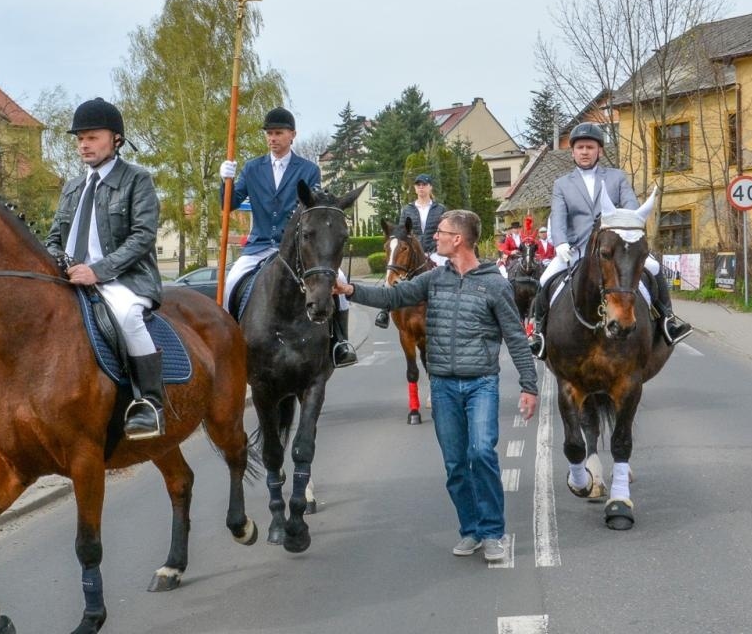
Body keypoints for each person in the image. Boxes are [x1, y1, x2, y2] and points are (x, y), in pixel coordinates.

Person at [335, 209, 537, 564]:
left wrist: (528, 385)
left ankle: (492, 532)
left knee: (482, 454)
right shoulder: (433, 280)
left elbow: (516, 338)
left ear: (458, 239)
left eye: (442, 233)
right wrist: (350, 290)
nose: (436, 238)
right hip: (442, 386)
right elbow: (392, 298)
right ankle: (470, 529)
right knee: (456, 464)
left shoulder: (494, 284)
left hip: (481, 384)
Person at [45, 98, 167, 439]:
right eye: (80, 138)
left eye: (92, 137)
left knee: (128, 317)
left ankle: (150, 405)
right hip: (71, 276)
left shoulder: (137, 180)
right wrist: (58, 263)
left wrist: (98, 271)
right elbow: (55, 236)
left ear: (115, 139)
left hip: (125, 280)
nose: (84, 144)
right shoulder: (72, 186)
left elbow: (143, 236)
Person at [529, 122, 691, 356]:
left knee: (654, 268)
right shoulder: (562, 184)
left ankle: (668, 320)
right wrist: (561, 243)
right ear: (572, 152)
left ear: (600, 151)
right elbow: (558, 216)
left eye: (590, 147)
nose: (585, 152)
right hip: (576, 249)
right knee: (545, 280)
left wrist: (623, 223)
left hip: (614, 249)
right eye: (580, 147)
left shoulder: (616, 177)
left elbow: (632, 207)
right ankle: (539, 334)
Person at [220, 107, 357, 367]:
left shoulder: (308, 170)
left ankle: (340, 341)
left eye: (278, 133)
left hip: (296, 248)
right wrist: (225, 181)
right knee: (231, 283)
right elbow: (228, 205)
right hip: (259, 246)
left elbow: (313, 208)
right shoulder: (252, 169)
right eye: (269, 134)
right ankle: (230, 343)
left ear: (292, 135)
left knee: (339, 280)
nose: (273, 138)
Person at [376, 173, 449, 329]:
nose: (421, 187)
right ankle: (385, 309)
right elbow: (402, 232)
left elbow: (444, 229)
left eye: (424, 184)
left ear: (430, 187)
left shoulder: (440, 208)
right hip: (414, 252)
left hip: (434, 250)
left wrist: (438, 246)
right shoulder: (407, 209)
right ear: (415, 188)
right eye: (418, 185)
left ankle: (450, 308)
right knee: (393, 274)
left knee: (447, 275)